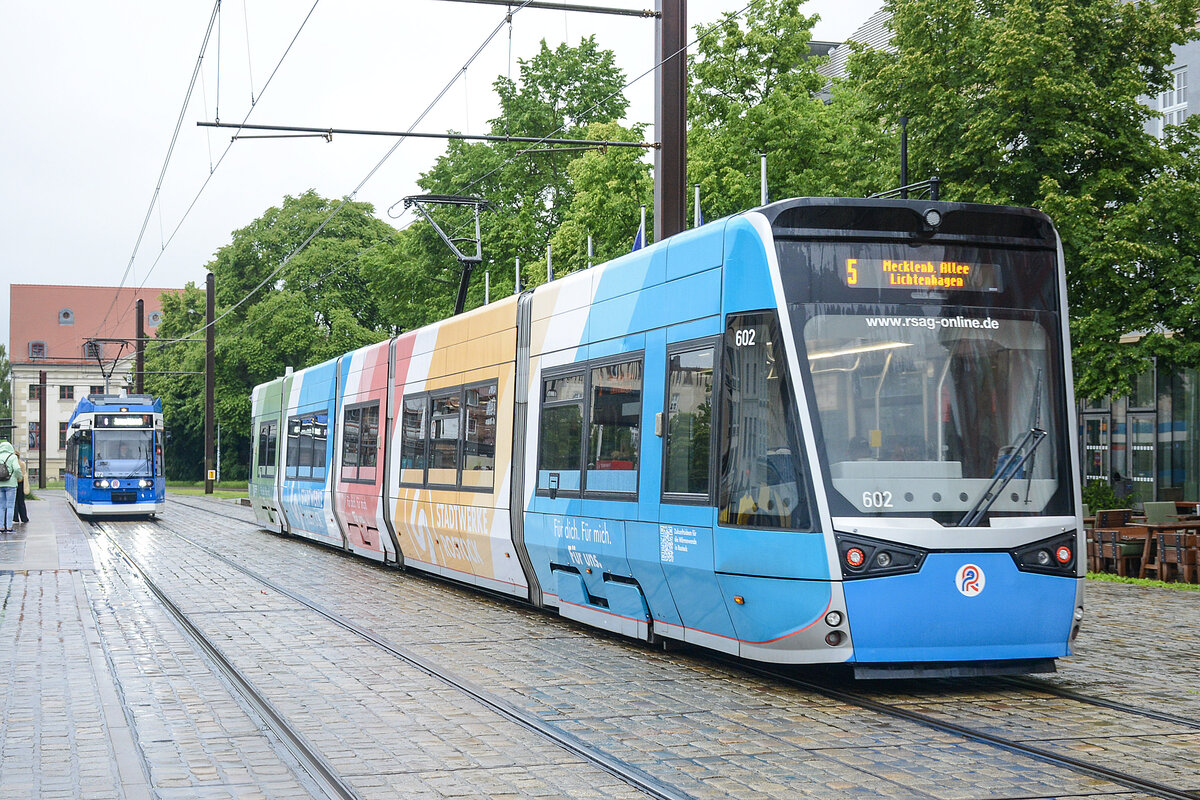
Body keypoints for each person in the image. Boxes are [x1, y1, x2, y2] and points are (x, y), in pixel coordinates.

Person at [0, 440, 23, 533]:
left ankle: (1, 527)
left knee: (1, 506)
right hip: (11, 484)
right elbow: (17, 468)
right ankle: (9, 527)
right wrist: (19, 477)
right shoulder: (13, 457)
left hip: (0, 484)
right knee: (10, 506)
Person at [13, 450, 28, 524]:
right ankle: (24, 518)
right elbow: (24, 473)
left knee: (14, 501)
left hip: (13, 483)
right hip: (21, 483)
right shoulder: (22, 463)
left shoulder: (12, 463)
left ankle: (15, 518)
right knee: (21, 501)